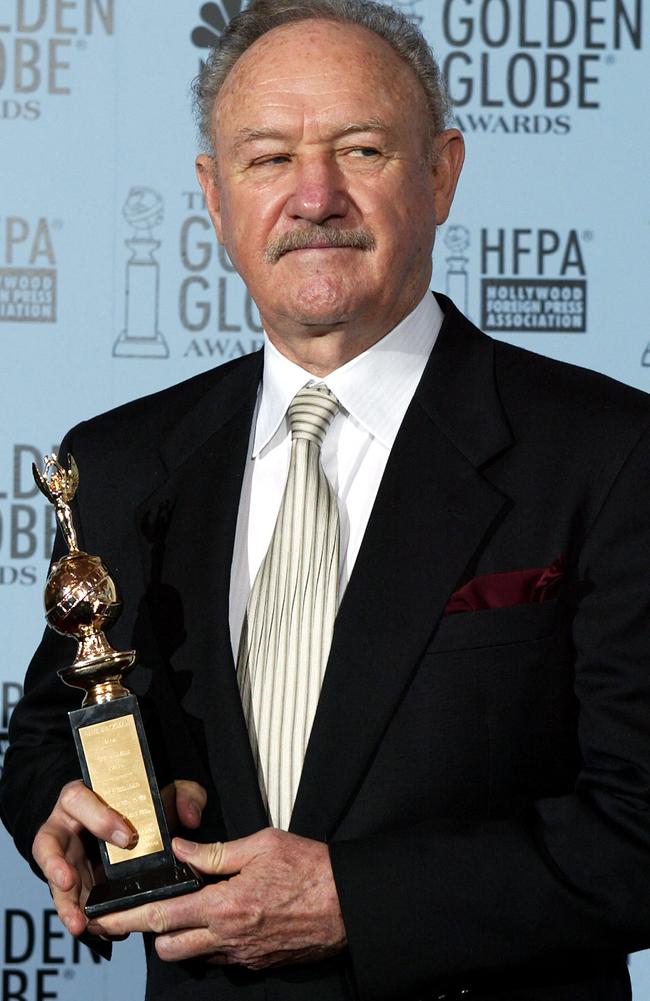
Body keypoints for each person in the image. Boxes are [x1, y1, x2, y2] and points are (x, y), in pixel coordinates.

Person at [3, 0, 650, 998]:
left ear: (440, 172)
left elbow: (638, 822)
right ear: (215, 199)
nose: (314, 197)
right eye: (266, 160)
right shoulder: (120, 460)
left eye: (359, 150)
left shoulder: (607, 451)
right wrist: (63, 810)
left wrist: (358, 897)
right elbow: (50, 729)